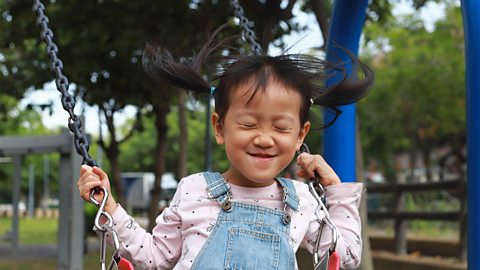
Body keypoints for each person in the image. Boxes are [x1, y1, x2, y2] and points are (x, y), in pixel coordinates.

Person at [78, 33, 374, 269]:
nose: (264, 139)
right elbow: (154, 256)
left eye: (281, 128)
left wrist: (335, 190)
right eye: (248, 124)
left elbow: (345, 258)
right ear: (219, 128)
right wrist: (110, 207)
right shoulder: (195, 190)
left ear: (300, 136)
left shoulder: (302, 200)